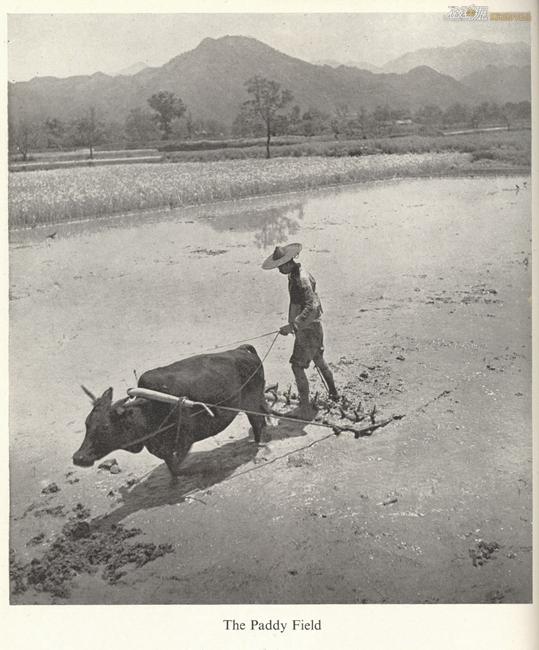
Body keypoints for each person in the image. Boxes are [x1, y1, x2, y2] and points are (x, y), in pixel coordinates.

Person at [262, 242, 339, 418]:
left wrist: (294, 325)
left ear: (289, 262)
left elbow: (312, 306)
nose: (279, 270)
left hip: (309, 329)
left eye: (280, 266)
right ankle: (334, 394)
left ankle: (305, 407)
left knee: (297, 366)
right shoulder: (294, 275)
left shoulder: (301, 279)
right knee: (318, 358)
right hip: (310, 327)